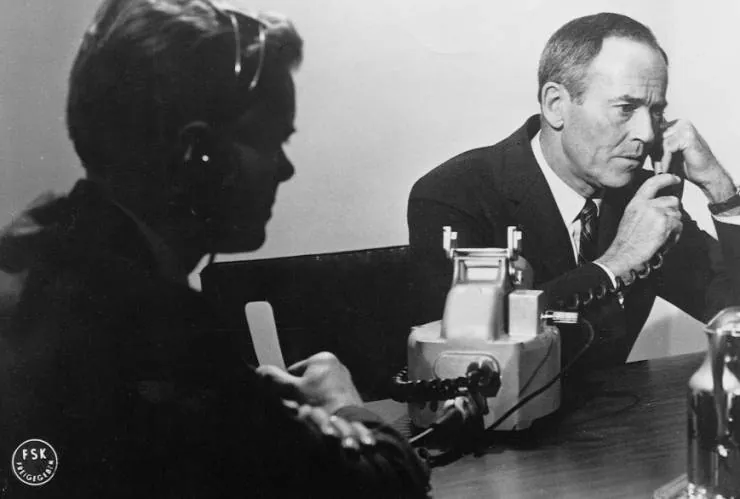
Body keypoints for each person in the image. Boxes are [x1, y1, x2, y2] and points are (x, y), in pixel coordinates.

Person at [0, 0, 429, 497]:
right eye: (271, 141)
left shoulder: (41, 255)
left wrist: (255, 409)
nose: (285, 168)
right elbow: (387, 487)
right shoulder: (152, 326)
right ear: (198, 154)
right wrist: (342, 404)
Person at [407, 13, 740, 371]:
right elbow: (462, 359)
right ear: (555, 105)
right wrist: (616, 264)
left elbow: (731, 309)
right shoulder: (454, 194)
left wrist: (719, 187)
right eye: (625, 108)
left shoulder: (642, 194)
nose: (647, 133)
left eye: (655, 110)